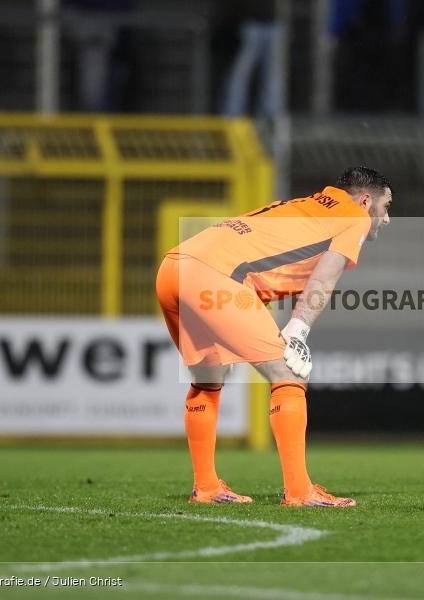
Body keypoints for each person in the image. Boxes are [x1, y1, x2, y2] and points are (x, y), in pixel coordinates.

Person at [155, 167, 392, 507]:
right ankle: (299, 492)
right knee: (289, 374)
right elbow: (323, 280)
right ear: (366, 200)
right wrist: (298, 330)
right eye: (386, 207)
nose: (386, 219)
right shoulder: (354, 216)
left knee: (209, 380)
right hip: (214, 276)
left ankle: (206, 487)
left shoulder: (304, 205)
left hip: (173, 267)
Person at [220, 0, 283, 117]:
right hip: (250, 24)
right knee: (240, 74)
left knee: (273, 75)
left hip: (273, 23)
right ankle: (232, 115)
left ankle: (271, 115)